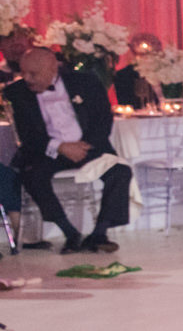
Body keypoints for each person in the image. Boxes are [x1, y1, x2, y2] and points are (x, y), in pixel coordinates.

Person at [4, 47, 133, 253]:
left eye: (33, 73)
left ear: (53, 66)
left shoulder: (86, 82)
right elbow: (26, 135)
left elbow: (103, 119)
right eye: (23, 72)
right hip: (48, 151)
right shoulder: (16, 92)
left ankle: (99, 233)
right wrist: (60, 147)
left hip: (87, 147)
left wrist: (85, 145)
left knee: (120, 172)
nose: (27, 78)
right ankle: (70, 233)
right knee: (32, 176)